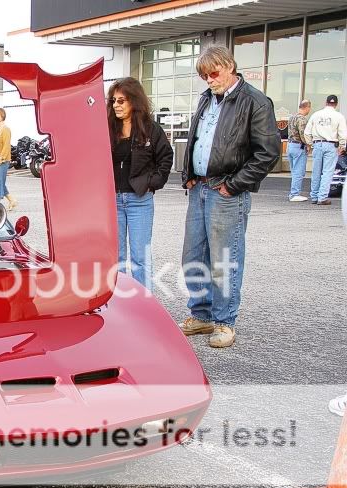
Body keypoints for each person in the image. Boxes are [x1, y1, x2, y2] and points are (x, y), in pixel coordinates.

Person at [180, 45, 280, 348]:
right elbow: (199, 139)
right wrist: (190, 175)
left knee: (225, 259)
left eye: (214, 72)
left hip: (226, 190)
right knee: (193, 255)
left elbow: (268, 153)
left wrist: (234, 185)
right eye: (204, 76)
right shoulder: (206, 99)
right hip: (200, 187)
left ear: (229, 65)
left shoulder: (255, 101)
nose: (210, 79)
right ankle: (202, 314)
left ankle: (225, 322)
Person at [107, 77, 173, 291]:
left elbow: (166, 158)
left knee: (140, 257)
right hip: (112, 200)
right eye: (114, 100)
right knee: (116, 256)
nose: (116, 105)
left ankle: (144, 306)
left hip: (139, 200)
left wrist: (152, 183)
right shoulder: (106, 128)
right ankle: (118, 303)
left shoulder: (150, 129)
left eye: (121, 101)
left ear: (134, 101)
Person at [304, 95, 347, 206]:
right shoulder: (339, 116)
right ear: (336, 104)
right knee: (327, 172)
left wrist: (310, 143)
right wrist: (342, 146)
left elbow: (307, 132)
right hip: (331, 145)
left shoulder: (316, 115)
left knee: (316, 171)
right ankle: (322, 197)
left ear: (326, 102)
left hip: (317, 144)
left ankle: (314, 196)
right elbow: (343, 133)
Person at [287, 100, 311, 202]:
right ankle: (294, 194)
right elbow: (303, 134)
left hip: (290, 145)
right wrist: (308, 144)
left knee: (294, 171)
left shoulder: (292, 117)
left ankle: (293, 193)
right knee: (299, 172)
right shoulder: (302, 119)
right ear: (307, 107)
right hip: (299, 147)